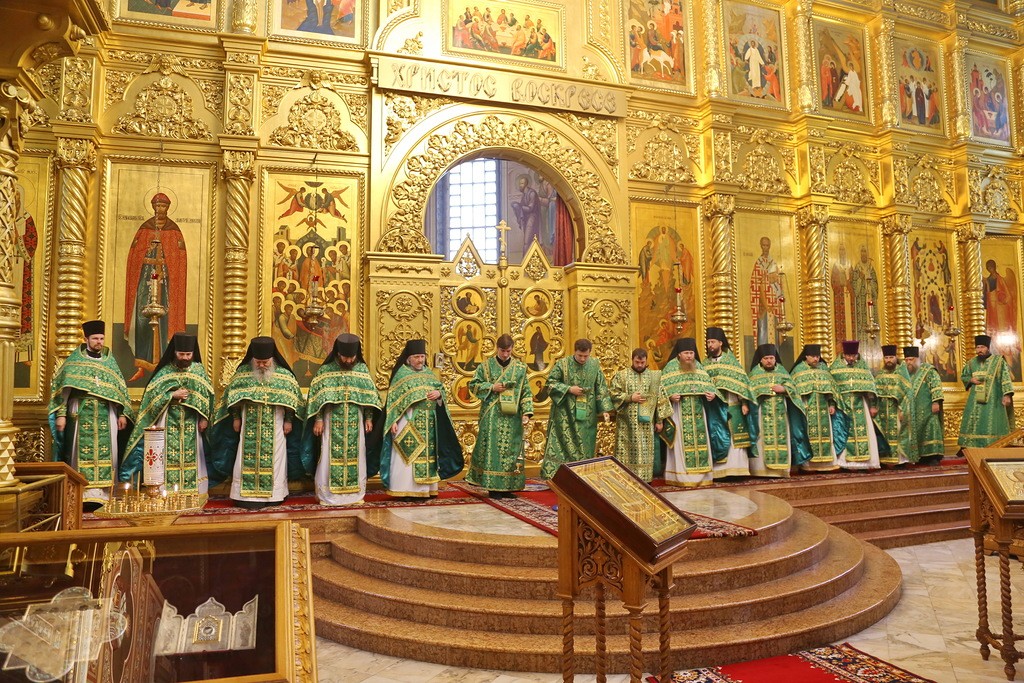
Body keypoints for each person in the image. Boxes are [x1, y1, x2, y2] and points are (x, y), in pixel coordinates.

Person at [210, 337, 306, 509]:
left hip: (276, 425)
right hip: (248, 426)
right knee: (244, 459)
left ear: (272, 358)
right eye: (258, 362)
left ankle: (274, 495)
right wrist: (236, 418)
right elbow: (232, 399)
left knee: (276, 460)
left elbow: (292, 402)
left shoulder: (284, 376)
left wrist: (288, 421)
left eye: (265, 362)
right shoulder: (242, 374)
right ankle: (244, 496)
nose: (261, 365)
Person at [48, 320, 135, 507]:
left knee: (108, 454)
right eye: (95, 338)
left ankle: (104, 495)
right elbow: (63, 390)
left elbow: (120, 390)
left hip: (106, 413)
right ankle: (81, 494)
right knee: (78, 452)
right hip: (81, 411)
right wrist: (61, 415)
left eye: (101, 338)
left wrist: (122, 414)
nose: (99, 342)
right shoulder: (74, 361)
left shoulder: (109, 361)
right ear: (86, 338)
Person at [120, 333, 213, 493]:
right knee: (166, 455)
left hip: (191, 423)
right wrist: (171, 395)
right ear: (174, 352)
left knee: (192, 456)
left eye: (188, 354)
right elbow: (151, 399)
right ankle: (166, 490)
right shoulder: (164, 371)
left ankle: (191, 491)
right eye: (181, 354)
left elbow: (208, 396)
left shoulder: (198, 370)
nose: (185, 358)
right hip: (167, 420)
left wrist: (205, 418)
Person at [380, 339, 463, 498]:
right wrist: (393, 421)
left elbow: (440, 392)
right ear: (408, 358)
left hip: (429, 423)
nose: (420, 360)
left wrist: (439, 395)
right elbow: (393, 401)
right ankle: (404, 490)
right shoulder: (401, 374)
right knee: (407, 456)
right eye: (416, 357)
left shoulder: (429, 374)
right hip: (408, 421)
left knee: (428, 456)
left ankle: (426, 490)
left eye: (422, 356)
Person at [306, 334, 383, 505]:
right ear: (338, 353)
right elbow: (317, 398)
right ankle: (328, 495)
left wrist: (369, 418)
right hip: (331, 420)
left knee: (357, 456)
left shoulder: (361, 369)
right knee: (328, 455)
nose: (348, 360)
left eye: (351, 357)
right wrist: (319, 419)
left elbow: (369, 397)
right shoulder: (326, 371)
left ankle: (354, 495)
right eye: (345, 357)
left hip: (356, 420)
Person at [124, 193, 188, 381]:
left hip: (166, 286)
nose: (160, 209)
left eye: (163, 206)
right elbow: (134, 258)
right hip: (146, 283)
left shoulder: (174, 231)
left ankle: (166, 366)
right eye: (157, 205)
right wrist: (148, 252)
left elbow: (179, 261)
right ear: (153, 207)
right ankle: (141, 366)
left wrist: (166, 262)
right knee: (143, 320)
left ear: (168, 207)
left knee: (165, 322)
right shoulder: (144, 229)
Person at [466, 334, 533, 497]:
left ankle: (508, 486)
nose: (505, 354)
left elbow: (526, 391)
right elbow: (473, 385)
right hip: (492, 416)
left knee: (511, 451)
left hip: (512, 416)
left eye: (508, 351)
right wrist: (491, 387)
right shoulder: (485, 366)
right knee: (493, 450)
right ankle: (493, 487)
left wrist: (527, 412)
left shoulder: (520, 368)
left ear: (512, 349)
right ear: (497, 348)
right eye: (503, 351)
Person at [660, 338, 728, 488]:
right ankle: (681, 477)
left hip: (698, 412)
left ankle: (703, 476)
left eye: (691, 353)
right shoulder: (670, 368)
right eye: (686, 353)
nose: (689, 356)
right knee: (679, 443)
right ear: (679, 354)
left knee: (701, 442)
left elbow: (710, 388)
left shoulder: (699, 367)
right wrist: (670, 397)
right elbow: (660, 392)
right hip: (678, 411)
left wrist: (712, 395)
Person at [540, 338, 612, 479]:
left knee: (585, 446)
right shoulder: (563, 364)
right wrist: (568, 389)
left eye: (586, 356)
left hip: (587, 415)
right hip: (564, 415)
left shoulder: (594, 365)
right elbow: (550, 384)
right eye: (580, 355)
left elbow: (601, 387)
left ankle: (582, 476)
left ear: (590, 353)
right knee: (563, 445)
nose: (583, 359)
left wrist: (605, 410)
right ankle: (558, 476)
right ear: (574, 351)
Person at [747, 343, 811, 477]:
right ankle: (761, 471)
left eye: (771, 358)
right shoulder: (754, 374)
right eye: (766, 358)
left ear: (775, 358)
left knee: (783, 438)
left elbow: (794, 389)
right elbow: (749, 393)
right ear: (760, 360)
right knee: (761, 439)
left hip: (781, 413)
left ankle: (781, 471)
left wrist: (784, 389)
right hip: (761, 413)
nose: (769, 361)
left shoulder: (782, 372)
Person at [610, 348, 670, 482]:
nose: (640, 365)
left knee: (645, 451)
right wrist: (630, 397)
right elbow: (613, 394)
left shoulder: (654, 377)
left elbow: (660, 399)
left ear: (646, 361)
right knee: (626, 451)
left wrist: (659, 420)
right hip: (627, 424)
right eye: (637, 362)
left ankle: (645, 479)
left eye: (642, 362)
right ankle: (625, 478)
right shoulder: (622, 375)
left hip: (646, 424)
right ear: (632, 360)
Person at [704, 327, 755, 478]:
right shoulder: (705, 364)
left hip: (732, 405)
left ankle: (736, 470)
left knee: (734, 438)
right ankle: (719, 472)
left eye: (713, 342)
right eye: (708, 342)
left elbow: (742, 383)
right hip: (713, 408)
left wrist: (744, 403)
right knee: (716, 436)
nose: (710, 345)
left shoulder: (731, 362)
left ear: (720, 343)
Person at [790, 344, 848, 471]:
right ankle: (808, 465)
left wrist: (832, 404)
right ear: (806, 356)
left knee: (827, 436)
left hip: (823, 410)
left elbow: (831, 389)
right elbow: (794, 392)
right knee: (808, 436)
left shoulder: (823, 369)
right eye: (813, 356)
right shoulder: (798, 370)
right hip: (807, 409)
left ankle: (827, 464)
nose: (816, 359)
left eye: (817, 356)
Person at [829, 340, 885, 470]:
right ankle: (844, 463)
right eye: (848, 355)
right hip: (843, 405)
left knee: (864, 433)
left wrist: (873, 405)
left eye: (853, 356)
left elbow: (871, 388)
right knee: (844, 432)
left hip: (860, 404)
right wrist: (832, 404)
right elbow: (831, 389)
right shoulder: (835, 368)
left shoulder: (863, 367)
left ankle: (864, 463)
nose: (851, 358)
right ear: (844, 354)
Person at [958, 334, 1014, 449]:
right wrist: (970, 380)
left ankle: (994, 445)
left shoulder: (998, 361)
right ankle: (971, 445)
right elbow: (964, 376)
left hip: (994, 399)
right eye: (977, 347)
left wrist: (1007, 395)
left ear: (988, 348)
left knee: (992, 422)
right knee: (974, 421)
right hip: (975, 399)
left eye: (982, 347)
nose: (979, 350)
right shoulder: (971, 362)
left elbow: (1005, 378)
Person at [900, 346, 944, 463]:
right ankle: (920, 456)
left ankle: (933, 456)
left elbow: (936, 385)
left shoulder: (928, 370)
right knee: (916, 432)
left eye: (911, 359)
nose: (909, 362)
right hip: (912, 409)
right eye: (906, 360)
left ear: (917, 359)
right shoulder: (905, 373)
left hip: (928, 407)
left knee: (931, 429)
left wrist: (936, 402)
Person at [874, 345, 910, 466]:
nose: (889, 360)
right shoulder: (880, 374)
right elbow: (875, 393)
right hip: (882, 409)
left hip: (896, 409)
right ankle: (885, 459)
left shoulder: (901, 372)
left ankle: (900, 461)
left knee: (899, 434)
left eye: (891, 357)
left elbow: (907, 393)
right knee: (884, 434)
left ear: (896, 357)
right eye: (886, 358)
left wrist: (903, 410)